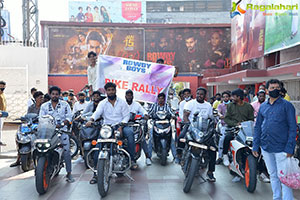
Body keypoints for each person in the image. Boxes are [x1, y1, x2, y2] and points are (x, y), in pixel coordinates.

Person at [253, 79, 297, 200]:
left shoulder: (287, 106)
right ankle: (276, 197)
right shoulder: (263, 107)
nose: (275, 90)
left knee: (284, 176)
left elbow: (293, 128)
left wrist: (290, 147)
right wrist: (256, 145)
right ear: (266, 91)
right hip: (266, 146)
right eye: (272, 88)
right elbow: (257, 127)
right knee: (273, 175)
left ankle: (288, 198)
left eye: (277, 88)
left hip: (282, 147)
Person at [86, 82, 136, 184]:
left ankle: (132, 158)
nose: (111, 92)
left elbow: (126, 116)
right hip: (107, 128)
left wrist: (122, 126)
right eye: (109, 90)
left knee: (130, 134)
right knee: (98, 146)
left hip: (120, 125)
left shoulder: (122, 102)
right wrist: (91, 119)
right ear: (106, 91)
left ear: (115, 90)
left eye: (112, 90)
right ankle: (96, 173)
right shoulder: (102, 103)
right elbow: (97, 113)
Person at [177, 87, 216, 182]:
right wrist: (187, 124)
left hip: (204, 131)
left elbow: (211, 119)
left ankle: (210, 172)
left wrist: (212, 128)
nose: (199, 95)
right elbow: (185, 116)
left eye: (201, 94)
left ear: (205, 95)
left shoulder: (208, 106)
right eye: (198, 93)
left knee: (213, 149)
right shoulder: (190, 103)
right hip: (192, 127)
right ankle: (179, 154)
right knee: (181, 137)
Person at [39, 86, 75, 183]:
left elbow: (69, 117)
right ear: (50, 94)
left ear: (59, 95)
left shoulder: (65, 105)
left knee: (67, 151)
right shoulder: (44, 106)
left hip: (62, 131)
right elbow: (41, 118)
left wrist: (63, 124)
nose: (55, 95)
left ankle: (69, 173)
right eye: (53, 94)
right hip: (48, 132)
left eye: (56, 94)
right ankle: (39, 169)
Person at [10, 91, 44, 167]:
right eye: (40, 97)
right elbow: (28, 116)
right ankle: (18, 159)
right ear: (36, 98)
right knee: (20, 137)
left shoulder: (44, 107)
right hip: (31, 125)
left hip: (40, 126)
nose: (42, 99)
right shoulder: (31, 107)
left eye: (42, 97)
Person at [222, 89, 254, 170]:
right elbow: (226, 119)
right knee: (227, 137)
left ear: (239, 97)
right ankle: (225, 154)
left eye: (233, 96)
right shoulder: (230, 106)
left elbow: (251, 119)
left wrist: (245, 124)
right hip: (233, 128)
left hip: (245, 130)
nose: (231, 98)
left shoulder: (248, 106)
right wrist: (235, 124)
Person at [125, 89, 152, 166]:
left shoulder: (137, 104)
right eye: (128, 95)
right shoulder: (122, 104)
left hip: (136, 125)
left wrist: (146, 115)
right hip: (125, 125)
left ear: (133, 96)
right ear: (125, 96)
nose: (129, 97)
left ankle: (147, 157)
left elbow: (143, 111)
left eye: (130, 95)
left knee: (142, 139)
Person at [148, 93, 176, 161]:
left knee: (171, 139)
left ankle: (175, 157)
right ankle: (148, 157)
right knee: (151, 138)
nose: (161, 100)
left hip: (166, 125)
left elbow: (171, 113)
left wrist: (173, 116)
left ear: (164, 99)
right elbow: (149, 112)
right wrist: (148, 116)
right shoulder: (154, 106)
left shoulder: (167, 106)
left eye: (162, 98)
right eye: (159, 98)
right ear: (157, 99)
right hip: (156, 125)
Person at [216, 91, 231, 165]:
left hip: (233, 125)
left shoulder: (232, 105)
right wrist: (220, 115)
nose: (225, 98)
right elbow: (218, 112)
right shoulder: (221, 105)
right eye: (224, 97)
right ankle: (220, 156)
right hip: (224, 125)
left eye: (227, 96)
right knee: (222, 139)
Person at [0, 81, 7, 146]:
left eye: (3, 86)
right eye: (1, 86)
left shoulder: (3, 94)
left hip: (2, 114)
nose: (2, 87)